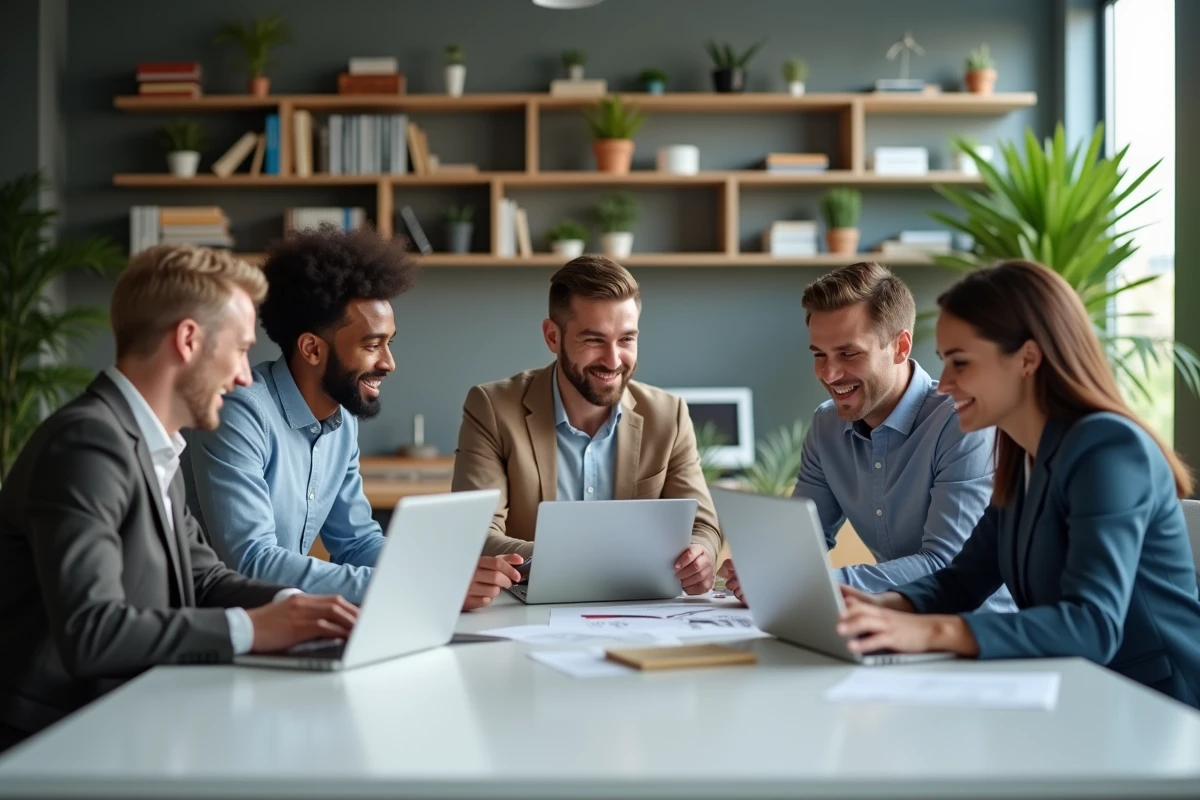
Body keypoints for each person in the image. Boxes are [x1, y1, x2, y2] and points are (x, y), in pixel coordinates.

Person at [0, 245, 357, 752]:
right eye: (239, 350)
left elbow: (203, 577)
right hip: (54, 743)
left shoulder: (155, 442)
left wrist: (300, 608)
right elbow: (91, 631)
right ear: (188, 340)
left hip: (127, 714)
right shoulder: (88, 443)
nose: (244, 376)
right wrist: (253, 628)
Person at [835, 260, 1200, 708]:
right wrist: (873, 607)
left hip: (1160, 711)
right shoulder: (1023, 453)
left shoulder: (1108, 449)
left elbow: (1093, 625)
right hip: (1082, 697)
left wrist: (931, 630)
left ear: (1028, 358)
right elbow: (960, 583)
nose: (944, 384)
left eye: (961, 363)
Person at [185, 226, 521, 611]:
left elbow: (357, 542)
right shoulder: (240, 412)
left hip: (284, 622)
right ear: (312, 348)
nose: (389, 363)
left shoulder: (342, 421)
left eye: (388, 343)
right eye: (371, 345)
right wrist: (418, 584)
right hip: (217, 628)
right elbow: (251, 561)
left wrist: (446, 572)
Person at [721, 262, 1013, 611]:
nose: (829, 374)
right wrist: (763, 568)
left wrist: (812, 583)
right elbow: (801, 544)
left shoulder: (962, 423)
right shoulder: (826, 426)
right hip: (893, 624)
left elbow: (944, 566)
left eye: (849, 354)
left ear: (901, 347)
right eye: (819, 355)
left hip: (979, 634)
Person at [451, 255, 722, 595]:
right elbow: (474, 533)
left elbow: (703, 525)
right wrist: (577, 562)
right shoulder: (492, 408)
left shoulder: (668, 414)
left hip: (638, 612)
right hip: (529, 611)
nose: (613, 360)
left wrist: (702, 556)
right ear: (553, 336)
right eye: (594, 340)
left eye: (626, 340)